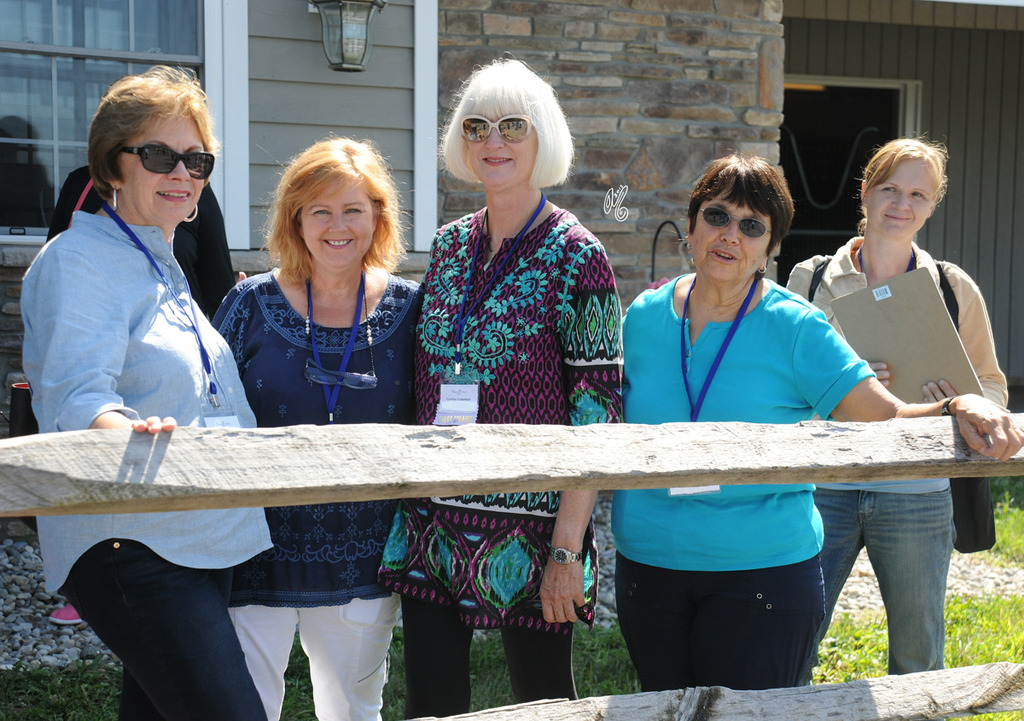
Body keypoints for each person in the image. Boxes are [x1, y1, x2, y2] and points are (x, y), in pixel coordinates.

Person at [611, 154, 1021, 693]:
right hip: (649, 568)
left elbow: (885, 415)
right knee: (660, 708)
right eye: (717, 216)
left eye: (752, 225)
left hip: (759, 575)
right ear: (690, 224)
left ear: (769, 246)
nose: (730, 235)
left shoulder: (798, 325)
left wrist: (954, 405)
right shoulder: (642, 316)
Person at [20, 66, 272, 719]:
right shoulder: (79, 262)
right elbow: (77, 399)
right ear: (114, 165)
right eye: (160, 155)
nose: (182, 173)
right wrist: (119, 427)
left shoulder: (161, 264)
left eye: (197, 159)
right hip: (133, 543)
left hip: (194, 536)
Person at [377, 58, 623, 718]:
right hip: (434, 524)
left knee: (542, 703)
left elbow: (597, 413)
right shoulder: (450, 245)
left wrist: (567, 550)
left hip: (534, 531)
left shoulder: (579, 254)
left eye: (513, 126)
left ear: (543, 138)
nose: (494, 141)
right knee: (431, 701)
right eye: (478, 126)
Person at [213, 137, 422, 721]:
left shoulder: (412, 309)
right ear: (295, 219)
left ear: (378, 216)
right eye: (320, 210)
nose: (338, 225)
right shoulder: (248, 304)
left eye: (353, 209)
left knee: (353, 711)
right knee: (243, 710)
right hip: (255, 551)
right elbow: (205, 409)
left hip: (364, 554)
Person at [786, 137, 1008, 679]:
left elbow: (994, 389)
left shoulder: (955, 289)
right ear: (864, 193)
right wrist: (846, 383)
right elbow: (784, 387)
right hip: (825, 484)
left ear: (933, 205)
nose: (901, 204)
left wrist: (960, 403)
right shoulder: (807, 279)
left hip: (917, 489)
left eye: (917, 194)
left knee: (918, 654)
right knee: (793, 641)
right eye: (889, 188)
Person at [48, 164, 235, 319]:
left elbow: (220, 297)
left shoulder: (189, 190)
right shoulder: (80, 184)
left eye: (194, 156)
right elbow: (53, 280)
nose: (180, 173)